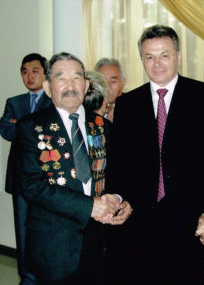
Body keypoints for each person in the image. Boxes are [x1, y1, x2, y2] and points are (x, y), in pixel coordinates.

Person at [106, 25, 204, 285]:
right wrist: (120, 198)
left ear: (178, 56)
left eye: (164, 55)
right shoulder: (128, 104)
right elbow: (119, 164)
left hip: (189, 220)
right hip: (139, 221)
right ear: (141, 60)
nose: (156, 63)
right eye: (149, 56)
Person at [15, 52, 132, 285]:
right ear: (48, 87)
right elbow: (32, 186)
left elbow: (121, 174)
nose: (71, 85)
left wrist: (121, 200)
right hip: (54, 245)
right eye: (61, 78)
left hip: (100, 242)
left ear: (86, 85)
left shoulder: (102, 126)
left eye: (77, 78)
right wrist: (90, 206)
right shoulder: (31, 127)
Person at [0, 53, 52, 285]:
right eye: (24, 71)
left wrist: (20, 125)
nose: (29, 76)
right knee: (22, 231)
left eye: (34, 71)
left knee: (47, 229)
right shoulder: (14, 102)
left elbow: (47, 135)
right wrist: (27, 127)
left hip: (47, 179)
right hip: (21, 179)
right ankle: (27, 278)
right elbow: (6, 131)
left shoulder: (53, 101)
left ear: (45, 73)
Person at [95, 58, 126, 122]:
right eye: (103, 81)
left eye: (113, 81)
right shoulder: (87, 106)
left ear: (123, 83)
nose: (108, 86)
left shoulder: (135, 106)